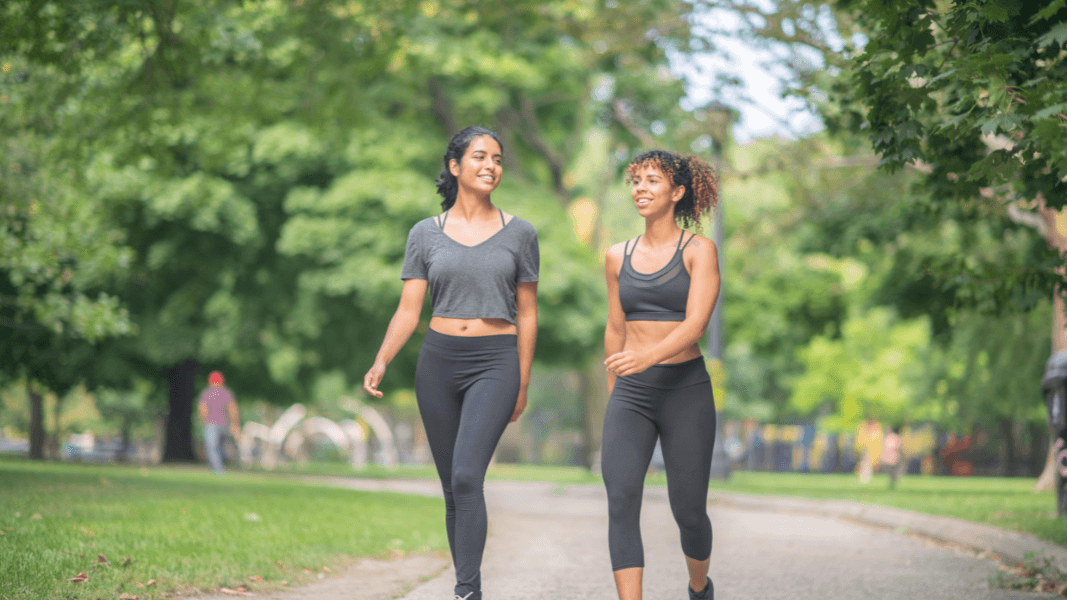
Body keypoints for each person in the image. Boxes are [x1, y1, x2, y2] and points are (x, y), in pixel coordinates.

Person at [362, 126, 538, 600]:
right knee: (451, 487)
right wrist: (382, 359)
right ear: (455, 166)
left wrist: (522, 381)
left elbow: (528, 313)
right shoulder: (425, 233)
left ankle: (466, 589)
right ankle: (466, 589)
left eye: (497, 158)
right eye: (480, 156)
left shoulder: (521, 233)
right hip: (438, 362)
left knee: (466, 476)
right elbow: (409, 309)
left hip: (495, 361)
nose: (491, 166)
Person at [601, 150, 720, 600]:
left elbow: (696, 324)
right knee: (621, 500)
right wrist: (615, 393)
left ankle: (699, 586)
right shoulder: (617, 256)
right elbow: (615, 329)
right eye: (636, 180)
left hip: (684, 390)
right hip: (631, 394)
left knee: (688, 511)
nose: (641, 188)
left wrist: (647, 357)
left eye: (652, 180)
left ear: (677, 192)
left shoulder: (699, 251)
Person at [197, 370, 240, 473]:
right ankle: (219, 469)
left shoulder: (206, 393)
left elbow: (202, 409)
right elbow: (233, 410)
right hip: (224, 424)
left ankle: (218, 469)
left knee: (212, 447)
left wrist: (204, 421)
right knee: (219, 446)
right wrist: (235, 424)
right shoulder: (227, 393)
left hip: (211, 424)